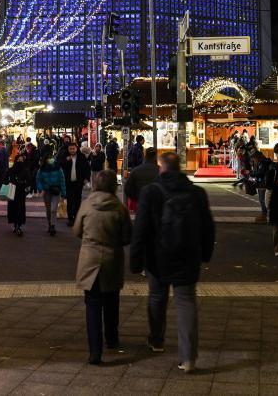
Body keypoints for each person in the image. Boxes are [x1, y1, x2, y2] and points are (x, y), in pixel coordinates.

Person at [130, 152, 215, 373]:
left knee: (157, 297)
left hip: (157, 255)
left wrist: (136, 260)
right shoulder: (197, 193)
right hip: (188, 256)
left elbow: (140, 228)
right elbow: (208, 227)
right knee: (186, 302)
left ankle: (157, 340)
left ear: (162, 168)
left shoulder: (151, 192)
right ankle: (188, 357)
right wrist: (205, 254)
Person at [73, 170, 131, 365]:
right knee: (112, 300)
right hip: (112, 258)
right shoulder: (119, 208)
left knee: (92, 304)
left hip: (89, 258)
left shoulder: (86, 205)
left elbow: (77, 230)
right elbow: (127, 237)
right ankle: (112, 339)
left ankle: (95, 351)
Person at [61, 142, 91, 227]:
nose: (72, 150)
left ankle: (77, 217)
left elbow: (87, 168)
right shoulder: (65, 157)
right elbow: (59, 165)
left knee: (78, 200)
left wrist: (86, 178)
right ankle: (70, 218)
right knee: (70, 201)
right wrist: (66, 161)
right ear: (68, 149)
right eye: (70, 149)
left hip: (78, 182)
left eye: (73, 148)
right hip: (68, 182)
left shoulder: (81, 157)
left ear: (76, 149)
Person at [124, 147, 159, 214]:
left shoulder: (136, 171)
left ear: (145, 156)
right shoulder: (160, 171)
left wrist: (137, 198)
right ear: (156, 156)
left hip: (141, 206)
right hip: (157, 208)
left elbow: (127, 189)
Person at [36, 157, 66, 236]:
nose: (51, 160)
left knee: (53, 209)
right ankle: (49, 224)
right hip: (46, 192)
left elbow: (62, 180)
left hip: (56, 191)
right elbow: (38, 180)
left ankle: (53, 226)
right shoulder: (41, 169)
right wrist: (41, 189)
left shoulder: (58, 168)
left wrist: (63, 193)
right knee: (48, 209)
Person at [5, 152, 33, 236]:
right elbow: (5, 179)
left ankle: (18, 225)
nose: (20, 161)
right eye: (19, 160)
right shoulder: (13, 170)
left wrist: (26, 187)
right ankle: (16, 225)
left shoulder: (23, 170)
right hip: (15, 191)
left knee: (18, 208)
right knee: (15, 208)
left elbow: (29, 181)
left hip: (19, 191)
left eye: (21, 160)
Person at [248, 150, 273, 223]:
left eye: (253, 158)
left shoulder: (263, 163)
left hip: (263, 184)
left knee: (263, 200)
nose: (253, 160)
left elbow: (261, 173)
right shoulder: (264, 162)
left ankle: (264, 215)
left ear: (257, 157)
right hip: (263, 183)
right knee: (263, 199)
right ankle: (265, 215)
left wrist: (251, 174)